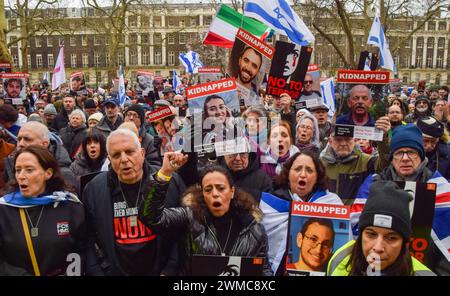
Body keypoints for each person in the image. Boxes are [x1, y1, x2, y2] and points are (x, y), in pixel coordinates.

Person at [139, 159, 273, 276]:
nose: (215, 194)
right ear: (202, 193)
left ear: (232, 192)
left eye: (221, 188)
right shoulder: (189, 218)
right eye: (208, 190)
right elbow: (150, 217)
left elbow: (263, 271)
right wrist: (164, 174)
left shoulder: (254, 230)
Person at [83, 129, 186, 275]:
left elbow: (181, 231)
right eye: (116, 155)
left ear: (142, 153)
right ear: (109, 159)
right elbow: (89, 238)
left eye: (129, 152)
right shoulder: (94, 189)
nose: (124, 159)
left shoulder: (169, 180)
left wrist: (170, 270)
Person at [354, 124, 450, 275]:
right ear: (392, 158)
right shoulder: (373, 184)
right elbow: (355, 232)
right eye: (399, 153)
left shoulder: (440, 187)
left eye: (411, 152)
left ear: (421, 155)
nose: (405, 159)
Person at [0, 146, 86, 276]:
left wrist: (70, 273)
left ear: (48, 173)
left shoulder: (70, 206)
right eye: (18, 170)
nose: (21, 176)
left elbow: (82, 250)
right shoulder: (4, 209)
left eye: (29, 170)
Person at [327, 181, 434, 276]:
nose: (378, 248)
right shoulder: (340, 259)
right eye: (371, 234)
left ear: (404, 243)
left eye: (391, 238)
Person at [320, 121, 390, 205]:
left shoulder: (365, 160)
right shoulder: (320, 163)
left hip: (354, 215)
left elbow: (384, 167)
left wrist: (383, 141)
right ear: (330, 141)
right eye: (338, 139)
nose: (343, 143)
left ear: (354, 140)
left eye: (347, 139)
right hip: (326, 214)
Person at [3, 122, 77, 193]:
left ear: (44, 144)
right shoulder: (10, 164)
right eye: (19, 139)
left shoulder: (63, 173)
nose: (21, 144)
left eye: (27, 139)